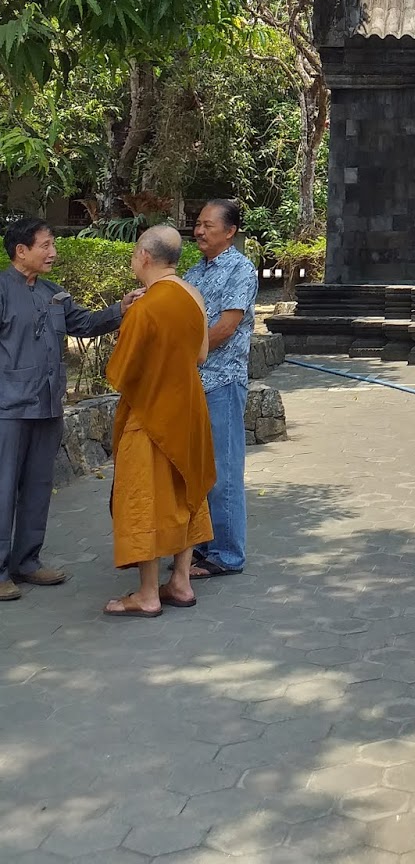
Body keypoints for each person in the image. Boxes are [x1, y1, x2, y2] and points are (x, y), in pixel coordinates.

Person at [1, 217, 140, 601]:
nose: (53, 253)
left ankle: (27, 562)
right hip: (8, 406)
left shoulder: (53, 293)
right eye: (45, 245)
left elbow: (84, 323)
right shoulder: (0, 289)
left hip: (47, 403)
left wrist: (120, 308)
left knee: (38, 485)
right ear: (21, 250)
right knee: (1, 488)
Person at [103, 226, 216, 618]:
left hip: (150, 413)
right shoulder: (193, 295)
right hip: (189, 407)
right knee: (186, 489)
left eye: (134, 254)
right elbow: (201, 354)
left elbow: (120, 371)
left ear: (145, 257)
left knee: (145, 498)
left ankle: (148, 593)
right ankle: (180, 581)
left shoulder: (146, 306)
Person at [183, 200, 257, 579]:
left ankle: (227, 554)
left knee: (224, 470)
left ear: (229, 232)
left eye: (207, 225)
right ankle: (201, 545)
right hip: (193, 384)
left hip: (222, 382)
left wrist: (183, 353)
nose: (199, 231)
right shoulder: (195, 272)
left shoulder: (241, 270)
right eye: (197, 224)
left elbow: (227, 327)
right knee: (198, 469)